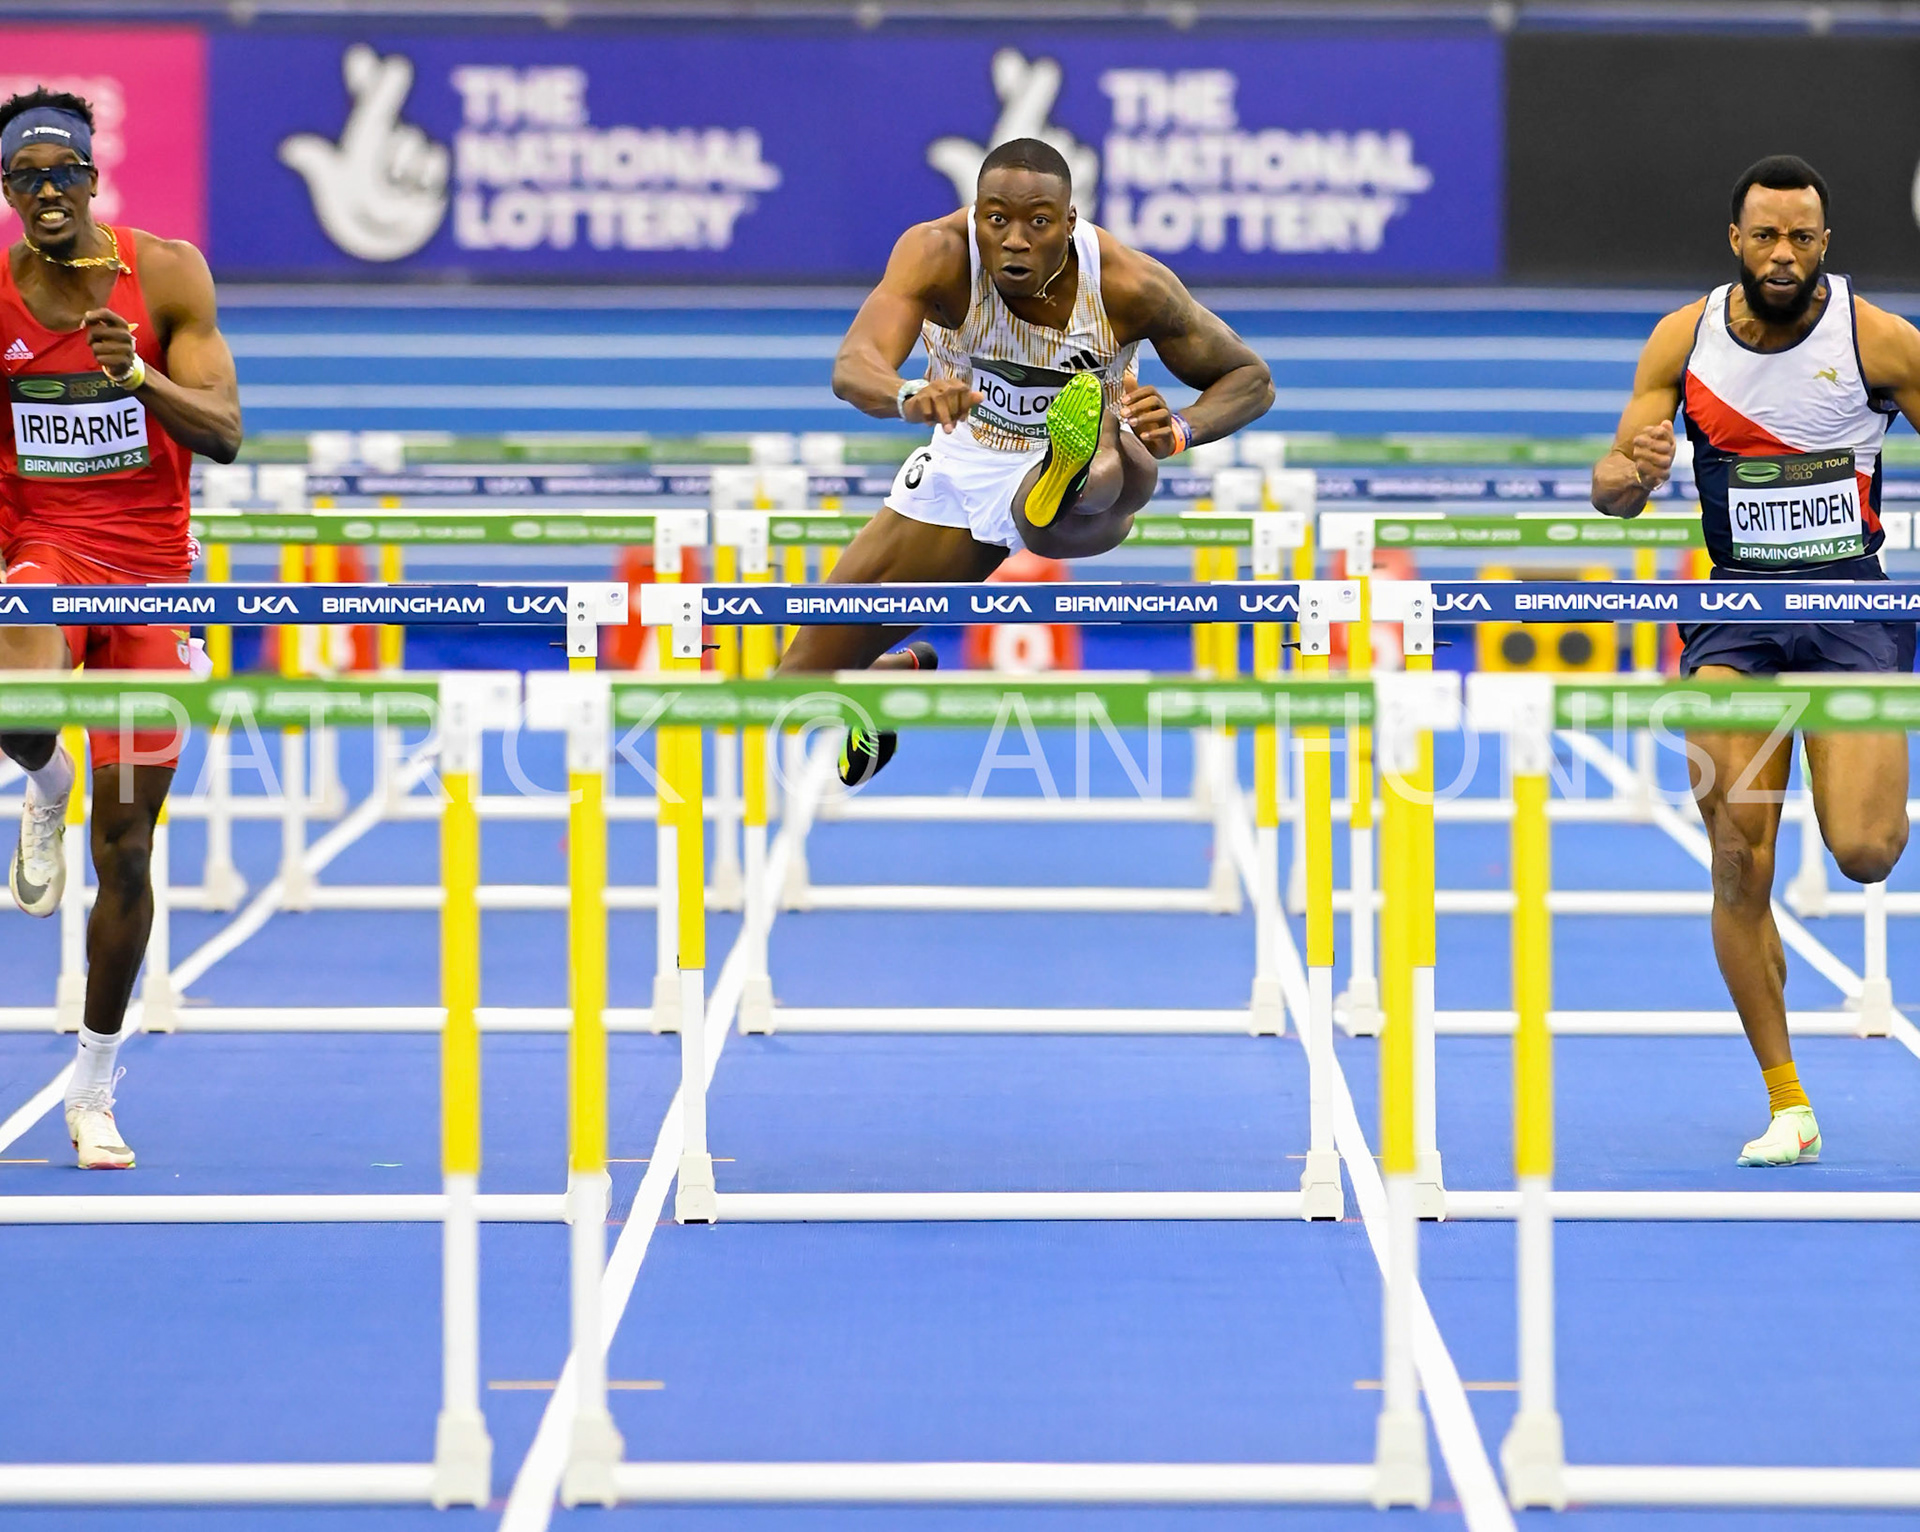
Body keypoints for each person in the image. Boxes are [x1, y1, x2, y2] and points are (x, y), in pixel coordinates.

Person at [1594, 154, 1914, 1166]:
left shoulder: (1879, 339)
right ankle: (1787, 1099)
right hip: (1732, 616)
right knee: (1738, 856)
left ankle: (1854, 779)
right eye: (1766, 236)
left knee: (1865, 851)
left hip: (1849, 606)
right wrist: (1629, 473)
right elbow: (1612, 485)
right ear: (1736, 241)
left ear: (1827, 243)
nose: (1784, 253)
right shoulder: (1679, 340)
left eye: (1802, 237)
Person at [794, 136, 1273, 783]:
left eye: (1037, 223)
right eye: (996, 220)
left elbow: (1251, 378)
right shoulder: (936, 253)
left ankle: (1079, 458)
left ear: (1070, 224)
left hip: (1099, 472)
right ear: (975, 215)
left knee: (1054, 507)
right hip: (965, 461)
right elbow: (854, 366)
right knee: (791, 688)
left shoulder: (1129, 284)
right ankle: (881, 678)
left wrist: (1182, 428)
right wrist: (909, 392)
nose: (1014, 239)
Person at [0, 88, 243, 1168]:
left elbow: (227, 432)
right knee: (17, 706)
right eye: (24, 179)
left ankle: (93, 1086)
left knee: (130, 850)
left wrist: (135, 375)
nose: (46, 193)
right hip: (40, 552)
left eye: (63, 174)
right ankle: (43, 775)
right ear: (7, 195)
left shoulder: (169, 275)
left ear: (93, 180)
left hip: (152, 576)